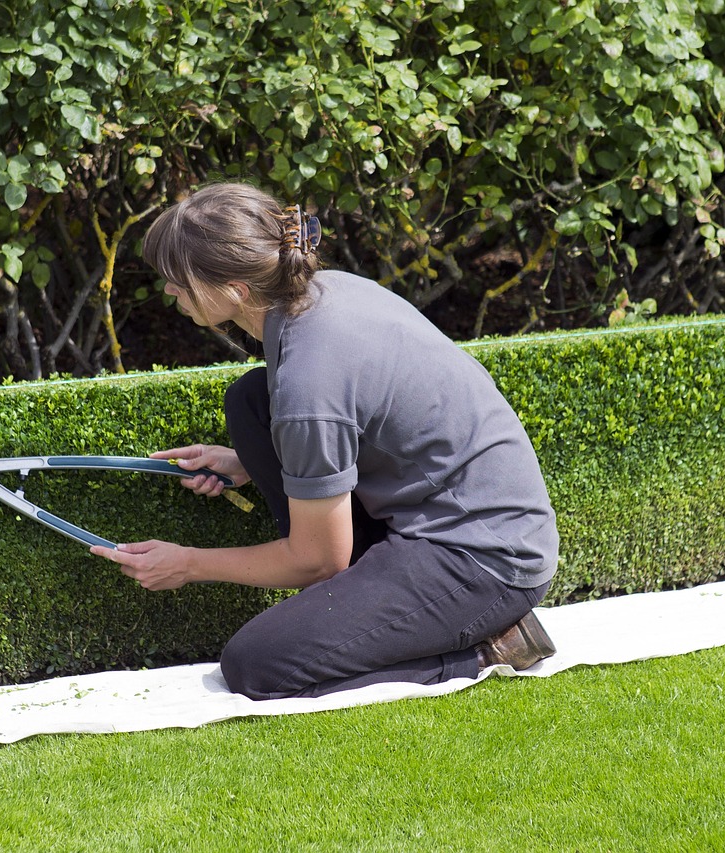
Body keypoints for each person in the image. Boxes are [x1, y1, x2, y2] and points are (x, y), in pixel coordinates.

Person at [90, 182, 559, 700]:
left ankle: (485, 648)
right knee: (251, 402)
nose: (169, 293)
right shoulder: (322, 292)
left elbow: (319, 561)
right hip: (453, 514)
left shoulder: (309, 383)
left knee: (257, 665)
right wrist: (246, 461)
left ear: (235, 290)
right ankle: (366, 612)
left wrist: (189, 563)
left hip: (484, 559)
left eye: (177, 281)